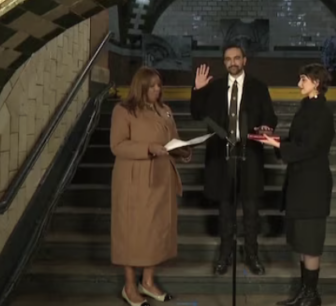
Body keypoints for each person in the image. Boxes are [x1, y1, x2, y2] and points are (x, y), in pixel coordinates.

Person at [190, 44, 278, 275]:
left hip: (250, 156)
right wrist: (198, 90)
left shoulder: (258, 87)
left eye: (237, 58)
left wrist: (267, 126)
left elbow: (270, 116)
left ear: (244, 60)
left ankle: (252, 255)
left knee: (251, 210)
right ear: (224, 62)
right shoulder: (214, 87)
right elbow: (197, 114)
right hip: (222, 156)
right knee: (225, 211)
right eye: (228, 59)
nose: (233, 62)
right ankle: (224, 255)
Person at [110, 66, 192, 306]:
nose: (157, 89)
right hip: (134, 180)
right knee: (132, 231)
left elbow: (172, 140)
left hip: (161, 179)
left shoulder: (164, 110)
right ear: (141, 87)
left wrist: (184, 151)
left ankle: (147, 281)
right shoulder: (123, 110)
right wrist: (148, 148)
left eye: (159, 85)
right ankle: (129, 286)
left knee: (155, 231)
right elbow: (117, 145)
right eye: (152, 86)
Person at [258, 63, 335, 306]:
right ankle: (305, 293)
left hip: (313, 186)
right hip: (301, 184)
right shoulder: (306, 107)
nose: (299, 83)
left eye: (303, 79)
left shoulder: (323, 113)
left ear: (316, 82)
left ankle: (312, 295)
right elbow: (296, 141)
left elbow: (308, 147)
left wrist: (278, 145)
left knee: (311, 244)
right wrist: (274, 139)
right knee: (303, 241)